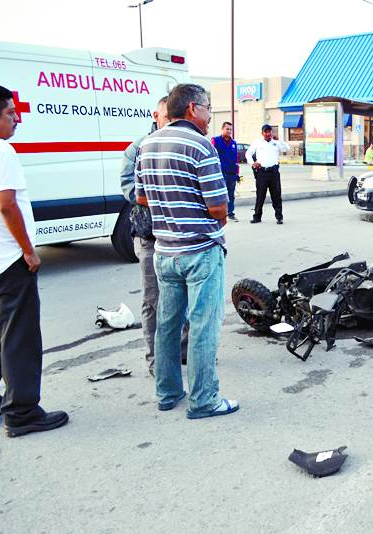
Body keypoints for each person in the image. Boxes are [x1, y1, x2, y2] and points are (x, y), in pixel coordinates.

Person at [135, 83, 238, 419]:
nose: (210, 116)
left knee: (166, 326)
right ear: (193, 108)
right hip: (199, 251)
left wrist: (171, 207)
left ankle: (167, 393)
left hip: (164, 253)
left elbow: (140, 198)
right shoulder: (200, 145)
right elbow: (219, 207)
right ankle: (204, 400)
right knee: (204, 326)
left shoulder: (147, 144)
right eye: (208, 108)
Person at [0, 84, 68, 437]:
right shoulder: (1, 151)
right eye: (10, 113)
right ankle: (22, 412)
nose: (16, 119)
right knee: (19, 338)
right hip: (8, 260)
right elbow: (6, 203)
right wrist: (28, 250)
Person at [119, 95, 188, 377]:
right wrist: (164, 197)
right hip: (150, 239)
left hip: (181, 237)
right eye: (165, 117)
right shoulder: (137, 148)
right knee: (153, 300)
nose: (169, 123)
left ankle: (183, 351)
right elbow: (128, 189)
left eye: (173, 118)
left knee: (182, 297)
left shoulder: (182, 145)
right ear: (156, 116)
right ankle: (156, 360)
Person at [246, 125, 289, 224]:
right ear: (262, 133)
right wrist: (252, 163)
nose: (268, 134)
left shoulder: (276, 142)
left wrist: (279, 140)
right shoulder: (257, 143)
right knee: (260, 196)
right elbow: (248, 153)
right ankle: (257, 216)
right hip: (262, 172)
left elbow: (286, 149)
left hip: (273, 172)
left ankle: (279, 217)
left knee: (276, 195)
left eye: (269, 132)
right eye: (265, 132)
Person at [212, 122, 240, 222]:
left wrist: (237, 173)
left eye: (230, 129)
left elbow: (236, 158)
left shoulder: (233, 143)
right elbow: (211, 156)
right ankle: (218, 214)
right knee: (219, 194)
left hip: (232, 172)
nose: (229, 131)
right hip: (220, 172)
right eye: (227, 129)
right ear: (222, 129)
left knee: (231, 194)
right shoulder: (215, 140)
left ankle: (230, 214)